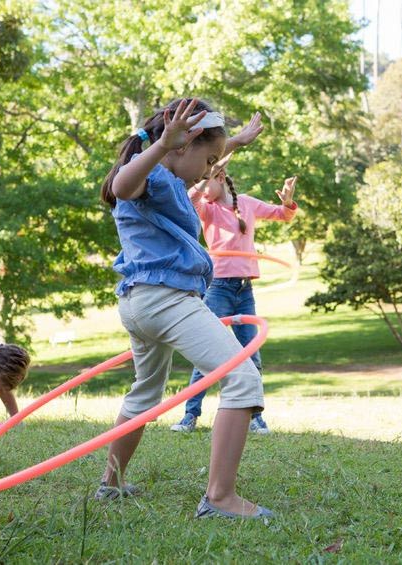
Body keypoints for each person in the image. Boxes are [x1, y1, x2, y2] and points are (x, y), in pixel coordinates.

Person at [97, 97, 273, 518]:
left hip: (141, 304)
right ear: (178, 145)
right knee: (243, 379)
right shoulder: (149, 172)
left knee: (144, 393)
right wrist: (159, 148)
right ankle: (220, 499)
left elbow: (193, 167)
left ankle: (111, 484)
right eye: (208, 157)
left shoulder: (171, 182)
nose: (212, 168)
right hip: (167, 301)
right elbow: (122, 186)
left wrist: (233, 144)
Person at [171, 115, 298, 434]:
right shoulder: (206, 208)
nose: (202, 183)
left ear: (221, 177)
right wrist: (234, 145)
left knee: (251, 353)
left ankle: (256, 417)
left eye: (209, 177)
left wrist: (288, 201)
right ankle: (190, 415)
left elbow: (283, 215)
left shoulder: (248, 205)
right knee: (206, 354)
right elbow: (191, 195)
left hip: (245, 289)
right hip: (219, 289)